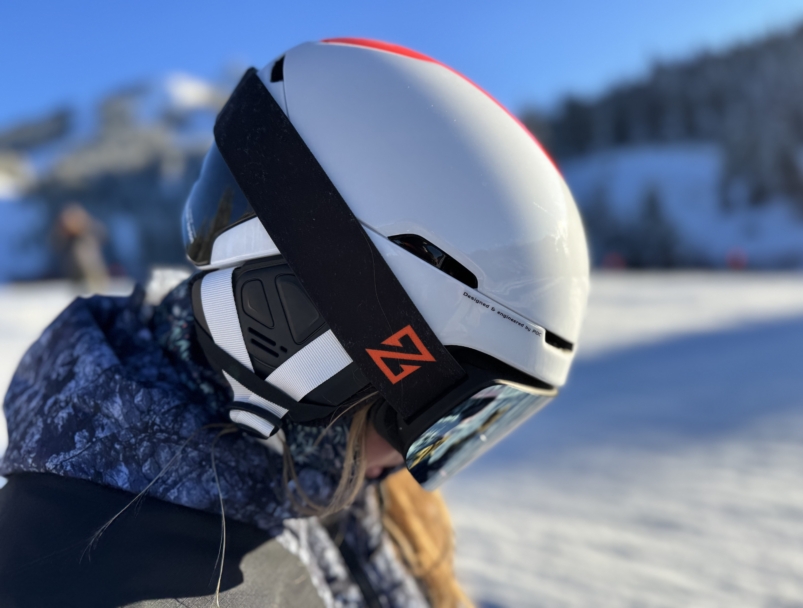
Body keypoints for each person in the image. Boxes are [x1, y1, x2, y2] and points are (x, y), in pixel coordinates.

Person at [0, 38, 589, 607]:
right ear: (299, 328)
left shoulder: (320, 479)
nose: (406, 468)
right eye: (445, 415)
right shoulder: (106, 581)